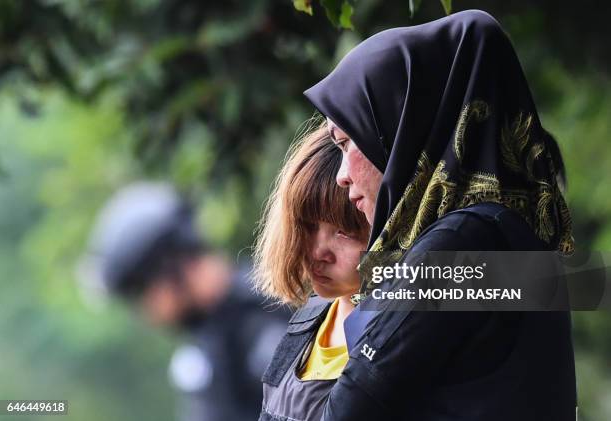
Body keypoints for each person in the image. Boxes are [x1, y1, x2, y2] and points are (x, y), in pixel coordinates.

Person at [303, 9, 576, 420]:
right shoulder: (511, 232)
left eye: (345, 143)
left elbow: (348, 410)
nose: (341, 176)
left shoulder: (458, 248)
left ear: (401, 128)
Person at [79, 182, 288, 421]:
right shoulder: (215, 337)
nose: (145, 313)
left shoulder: (264, 323)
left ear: (169, 271)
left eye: (139, 293)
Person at [252, 121, 370, 420]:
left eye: (344, 232)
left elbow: (505, 280)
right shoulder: (305, 323)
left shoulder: (414, 312)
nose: (318, 253)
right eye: (306, 226)